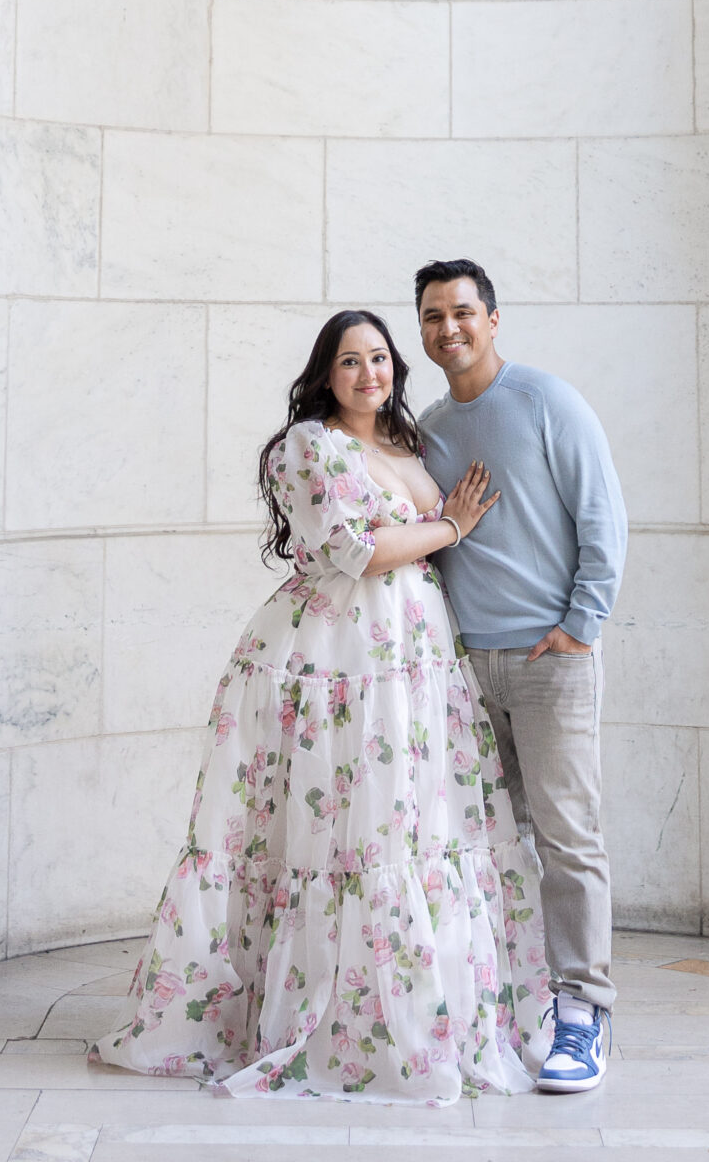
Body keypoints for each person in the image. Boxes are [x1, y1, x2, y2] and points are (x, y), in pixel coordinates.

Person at [92, 309, 550, 1100]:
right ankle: (332, 1019)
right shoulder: (309, 445)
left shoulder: (405, 441)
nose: (369, 373)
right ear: (324, 375)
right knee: (348, 833)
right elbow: (354, 552)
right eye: (349, 361)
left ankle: (423, 1016)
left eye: (379, 358)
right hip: (339, 662)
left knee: (414, 825)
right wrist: (451, 524)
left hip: (415, 659)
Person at [416, 258, 628, 1094]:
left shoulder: (546, 402)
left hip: (550, 662)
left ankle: (582, 1012)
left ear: (492, 319)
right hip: (467, 669)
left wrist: (581, 626)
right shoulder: (430, 429)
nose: (448, 329)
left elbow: (602, 515)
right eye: (433, 316)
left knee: (568, 839)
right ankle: (507, 1003)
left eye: (462, 312)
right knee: (488, 845)